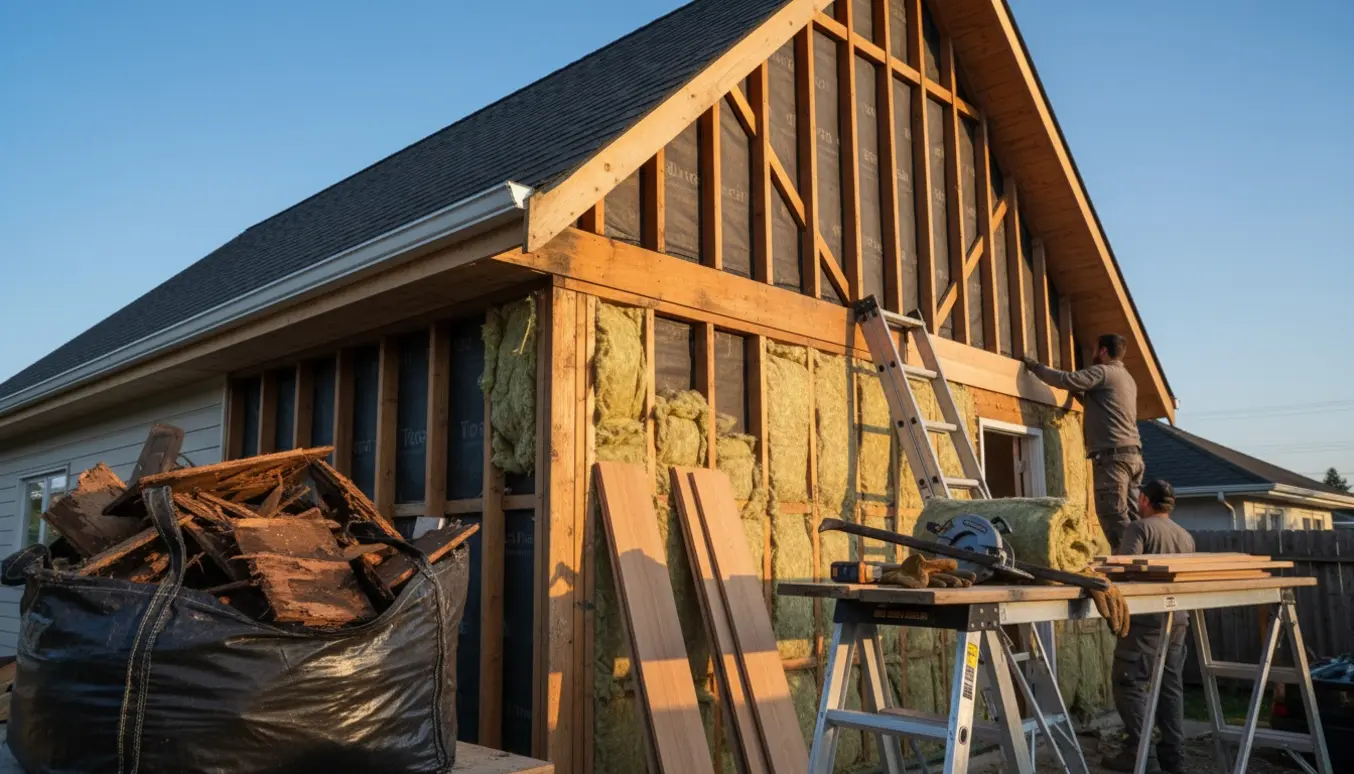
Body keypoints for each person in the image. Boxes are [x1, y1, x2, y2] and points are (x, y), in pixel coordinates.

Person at [1104, 480, 1194, 774]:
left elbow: (1125, 570)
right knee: (1170, 688)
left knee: (1128, 682)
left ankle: (1141, 756)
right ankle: (1173, 758)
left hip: (1147, 622)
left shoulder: (1139, 529)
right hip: (1178, 620)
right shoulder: (1185, 536)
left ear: (1143, 500)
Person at [1023, 333, 1141, 548]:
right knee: (1132, 519)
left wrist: (1035, 367)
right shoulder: (1128, 378)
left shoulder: (1103, 372)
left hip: (1112, 458)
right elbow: (1101, 403)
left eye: (1096, 349)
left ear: (1104, 351)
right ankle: (1147, 559)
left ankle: (1132, 566)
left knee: (1113, 516)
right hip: (1132, 456)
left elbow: (1065, 380)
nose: (1094, 354)